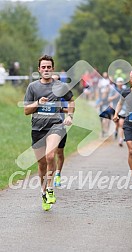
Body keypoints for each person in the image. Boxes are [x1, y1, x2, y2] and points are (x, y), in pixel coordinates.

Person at [24, 55, 75, 211]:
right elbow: (26, 110)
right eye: (43, 67)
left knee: (50, 156)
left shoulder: (60, 86)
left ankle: (51, 188)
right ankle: (43, 192)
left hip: (55, 126)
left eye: (49, 67)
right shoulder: (32, 87)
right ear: (39, 69)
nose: (46, 70)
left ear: (53, 68)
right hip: (37, 129)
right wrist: (38, 103)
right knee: (41, 165)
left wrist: (69, 116)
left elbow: (72, 101)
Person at [108, 77, 126, 146]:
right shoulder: (113, 90)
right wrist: (115, 97)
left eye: (121, 82)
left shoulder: (124, 90)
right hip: (114, 108)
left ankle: (121, 139)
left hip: (122, 109)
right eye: (119, 82)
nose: (120, 83)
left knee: (121, 124)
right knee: (117, 123)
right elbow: (109, 98)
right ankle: (115, 130)